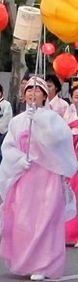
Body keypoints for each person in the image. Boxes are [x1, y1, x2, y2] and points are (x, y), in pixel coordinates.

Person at [0, 77, 78, 281]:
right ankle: (26, 260)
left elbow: (60, 142)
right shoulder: (17, 121)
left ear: (44, 95)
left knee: (46, 219)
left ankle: (43, 264)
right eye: (28, 91)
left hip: (47, 176)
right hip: (26, 176)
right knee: (24, 219)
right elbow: (8, 147)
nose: (32, 94)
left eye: (37, 90)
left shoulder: (53, 118)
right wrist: (18, 160)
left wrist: (40, 122)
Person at [63, 83, 78, 246]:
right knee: (70, 195)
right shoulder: (68, 116)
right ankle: (70, 232)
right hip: (72, 162)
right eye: (76, 97)